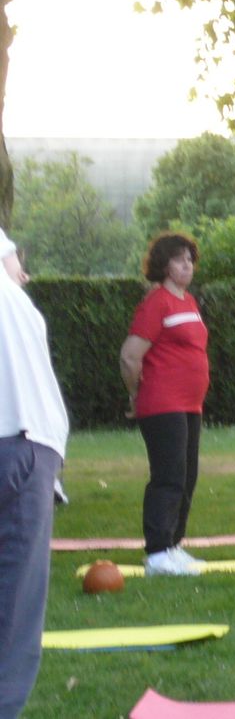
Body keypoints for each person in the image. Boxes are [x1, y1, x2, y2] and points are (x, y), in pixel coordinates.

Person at [0, 232, 69, 718]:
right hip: (31, 450)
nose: (26, 272)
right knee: (14, 618)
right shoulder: (19, 304)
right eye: (19, 261)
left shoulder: (18, 307)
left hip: (30, 448)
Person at [119, 232, 210, 577]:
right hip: (162, 404)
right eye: (179, 258)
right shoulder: (156, 302)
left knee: (187, 476)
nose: (187, 264)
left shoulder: (187, 301)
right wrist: (135, 394)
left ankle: (173, 545)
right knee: (168, 476)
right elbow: (130, 356)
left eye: (190, 258)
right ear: (164, 265)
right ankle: (157, 553)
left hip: (190, 405)